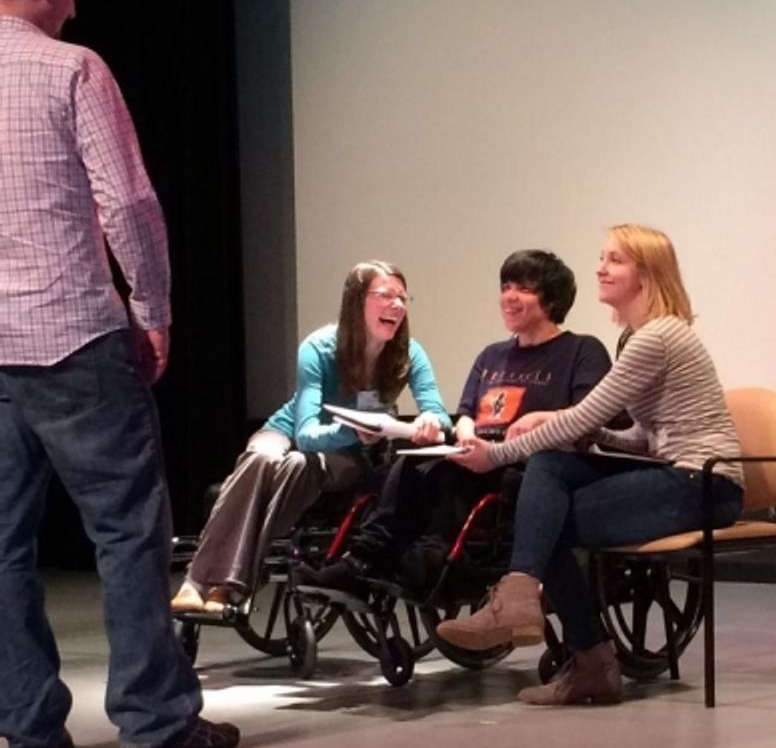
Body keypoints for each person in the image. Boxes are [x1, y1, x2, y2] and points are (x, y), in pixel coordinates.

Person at [0, 0, 238, 748]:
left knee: (2, 545)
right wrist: (155, 308)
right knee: (130, 530)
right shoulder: (73, 68)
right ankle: (154, 716)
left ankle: (28, 726)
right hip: (73, 332)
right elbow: (129, 204)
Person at [440, 224, 746, 706]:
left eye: (614, 260)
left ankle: (577, 651)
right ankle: (532, 607)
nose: (601, 268)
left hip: (704, 483)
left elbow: (585, 415)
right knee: (550, 470)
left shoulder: (656, 338)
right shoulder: (636, 337)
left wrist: (495, 455)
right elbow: (639, 437)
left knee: (548, 516)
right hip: (675, 473)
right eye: (602, 258)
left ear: (645, 275)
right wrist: (571, 424)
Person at [304, 249, 611, 597]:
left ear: (552, 299)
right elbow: (466, 413)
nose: (509, 297)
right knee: (409, 463)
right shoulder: (491, 355)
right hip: (476, 453)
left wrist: (528, 428)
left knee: (454, 475)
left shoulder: (582, 351)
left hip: (533, 467)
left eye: (523, 288)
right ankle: (363, 559)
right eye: (506, 286)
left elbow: (591, 416)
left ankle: (429, 561)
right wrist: (465, 435)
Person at [170, 260, 451, 613]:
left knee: (297, 466)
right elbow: (305, 434)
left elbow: (439, 412)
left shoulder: (409, 353)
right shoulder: (319, 347)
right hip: (294, 432)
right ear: (356, 301)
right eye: (385, 295)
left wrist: (429, 419)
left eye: (402, 297)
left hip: (349, 455)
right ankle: (203, 582)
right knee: (262, 458)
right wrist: (349, 429)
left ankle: (218, 584)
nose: (397, 305)